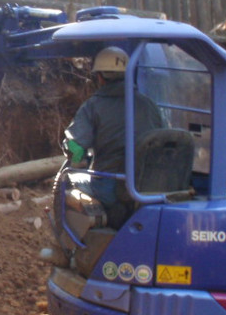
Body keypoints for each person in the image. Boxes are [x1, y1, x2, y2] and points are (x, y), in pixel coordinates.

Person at [64, 47, 164, 226]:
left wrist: (71, 152)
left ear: (100, 77)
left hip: (110, 187)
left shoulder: (93, 106)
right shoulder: (149, 105)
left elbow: (76, 149)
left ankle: (80, 246)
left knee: (67, 180)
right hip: (148, 186)